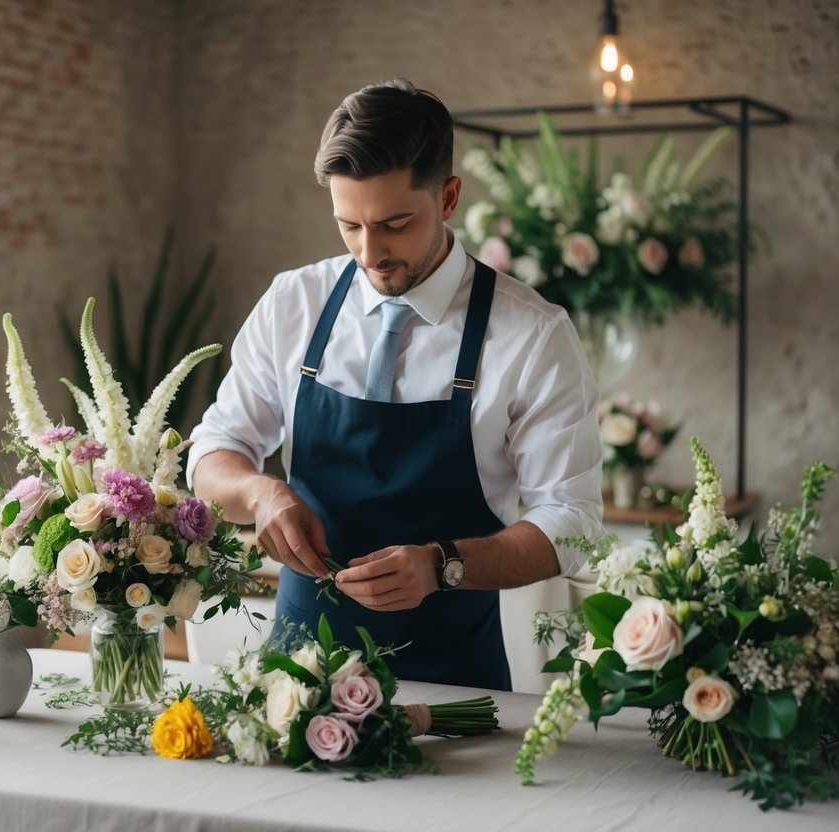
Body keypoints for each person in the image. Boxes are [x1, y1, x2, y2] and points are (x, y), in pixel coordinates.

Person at [187, 79, 602, 690]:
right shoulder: (293, 303)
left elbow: (572, 521)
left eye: (395, 223)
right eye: (349, 225)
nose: (370, 252)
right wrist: (260, 494)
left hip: (456, 690)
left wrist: (444, 565)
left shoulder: (533, 335)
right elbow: (213, 453)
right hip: (293, 687)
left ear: (449, 197)